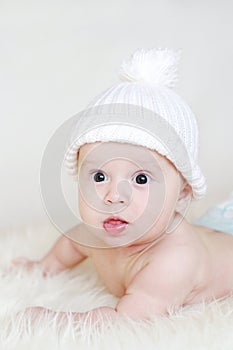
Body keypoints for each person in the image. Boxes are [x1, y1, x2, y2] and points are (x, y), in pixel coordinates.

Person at [10, 48, 233, 322]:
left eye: (140, 179)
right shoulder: (99, 230)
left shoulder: (173, 262)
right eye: (99, 177)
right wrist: (44, 266)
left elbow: (126, 320)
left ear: (182, 195)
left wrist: (55, 321)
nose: (114, 196)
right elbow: (72, 243)